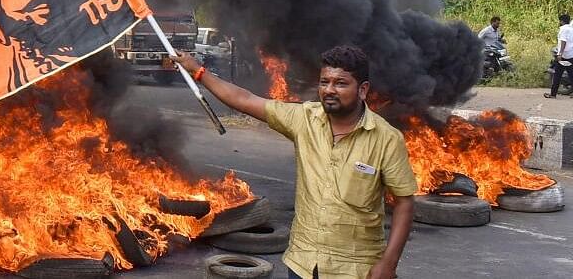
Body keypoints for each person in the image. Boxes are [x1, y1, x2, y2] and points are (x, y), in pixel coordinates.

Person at [170, 45, 416, 279]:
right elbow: (244, 99)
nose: (329, 90)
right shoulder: (304, 120)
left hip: (356, 268)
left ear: (362, 90)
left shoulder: (387, 139)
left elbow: (404, 203)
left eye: (340, 83)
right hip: (303, 263)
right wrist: (198, 71)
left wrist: (388, 263)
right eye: (324, 82)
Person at [545, 13, 573, 99]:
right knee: (571, 74)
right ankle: (553, 94)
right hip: (571, 54)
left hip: (564, 56)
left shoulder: (563, 29)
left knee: (557, 75)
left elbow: (563, 42)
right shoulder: (571, 29)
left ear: (561, 21)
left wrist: (560, 53)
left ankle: (553, 94)